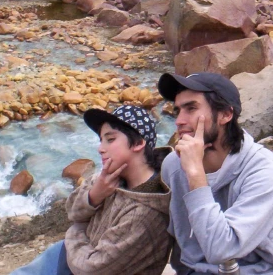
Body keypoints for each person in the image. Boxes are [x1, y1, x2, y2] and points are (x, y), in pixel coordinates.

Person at [158, 72, 273, 275]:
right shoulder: (173, 165)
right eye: (177, 110)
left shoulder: (263, 170)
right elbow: (173, 239)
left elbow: (222, 250)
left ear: (225, 114)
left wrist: (195, 174)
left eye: (191, 108)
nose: (179, 120)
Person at [10, 105, 172, 275]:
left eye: (110, 139)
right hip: (70, 257)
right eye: (101, 140)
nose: (100, 148)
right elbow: (72, 211)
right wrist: (93, 196)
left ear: (138, 143)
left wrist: (76, 230)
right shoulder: (109, 178)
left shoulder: (145, 214)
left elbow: (92, 268)